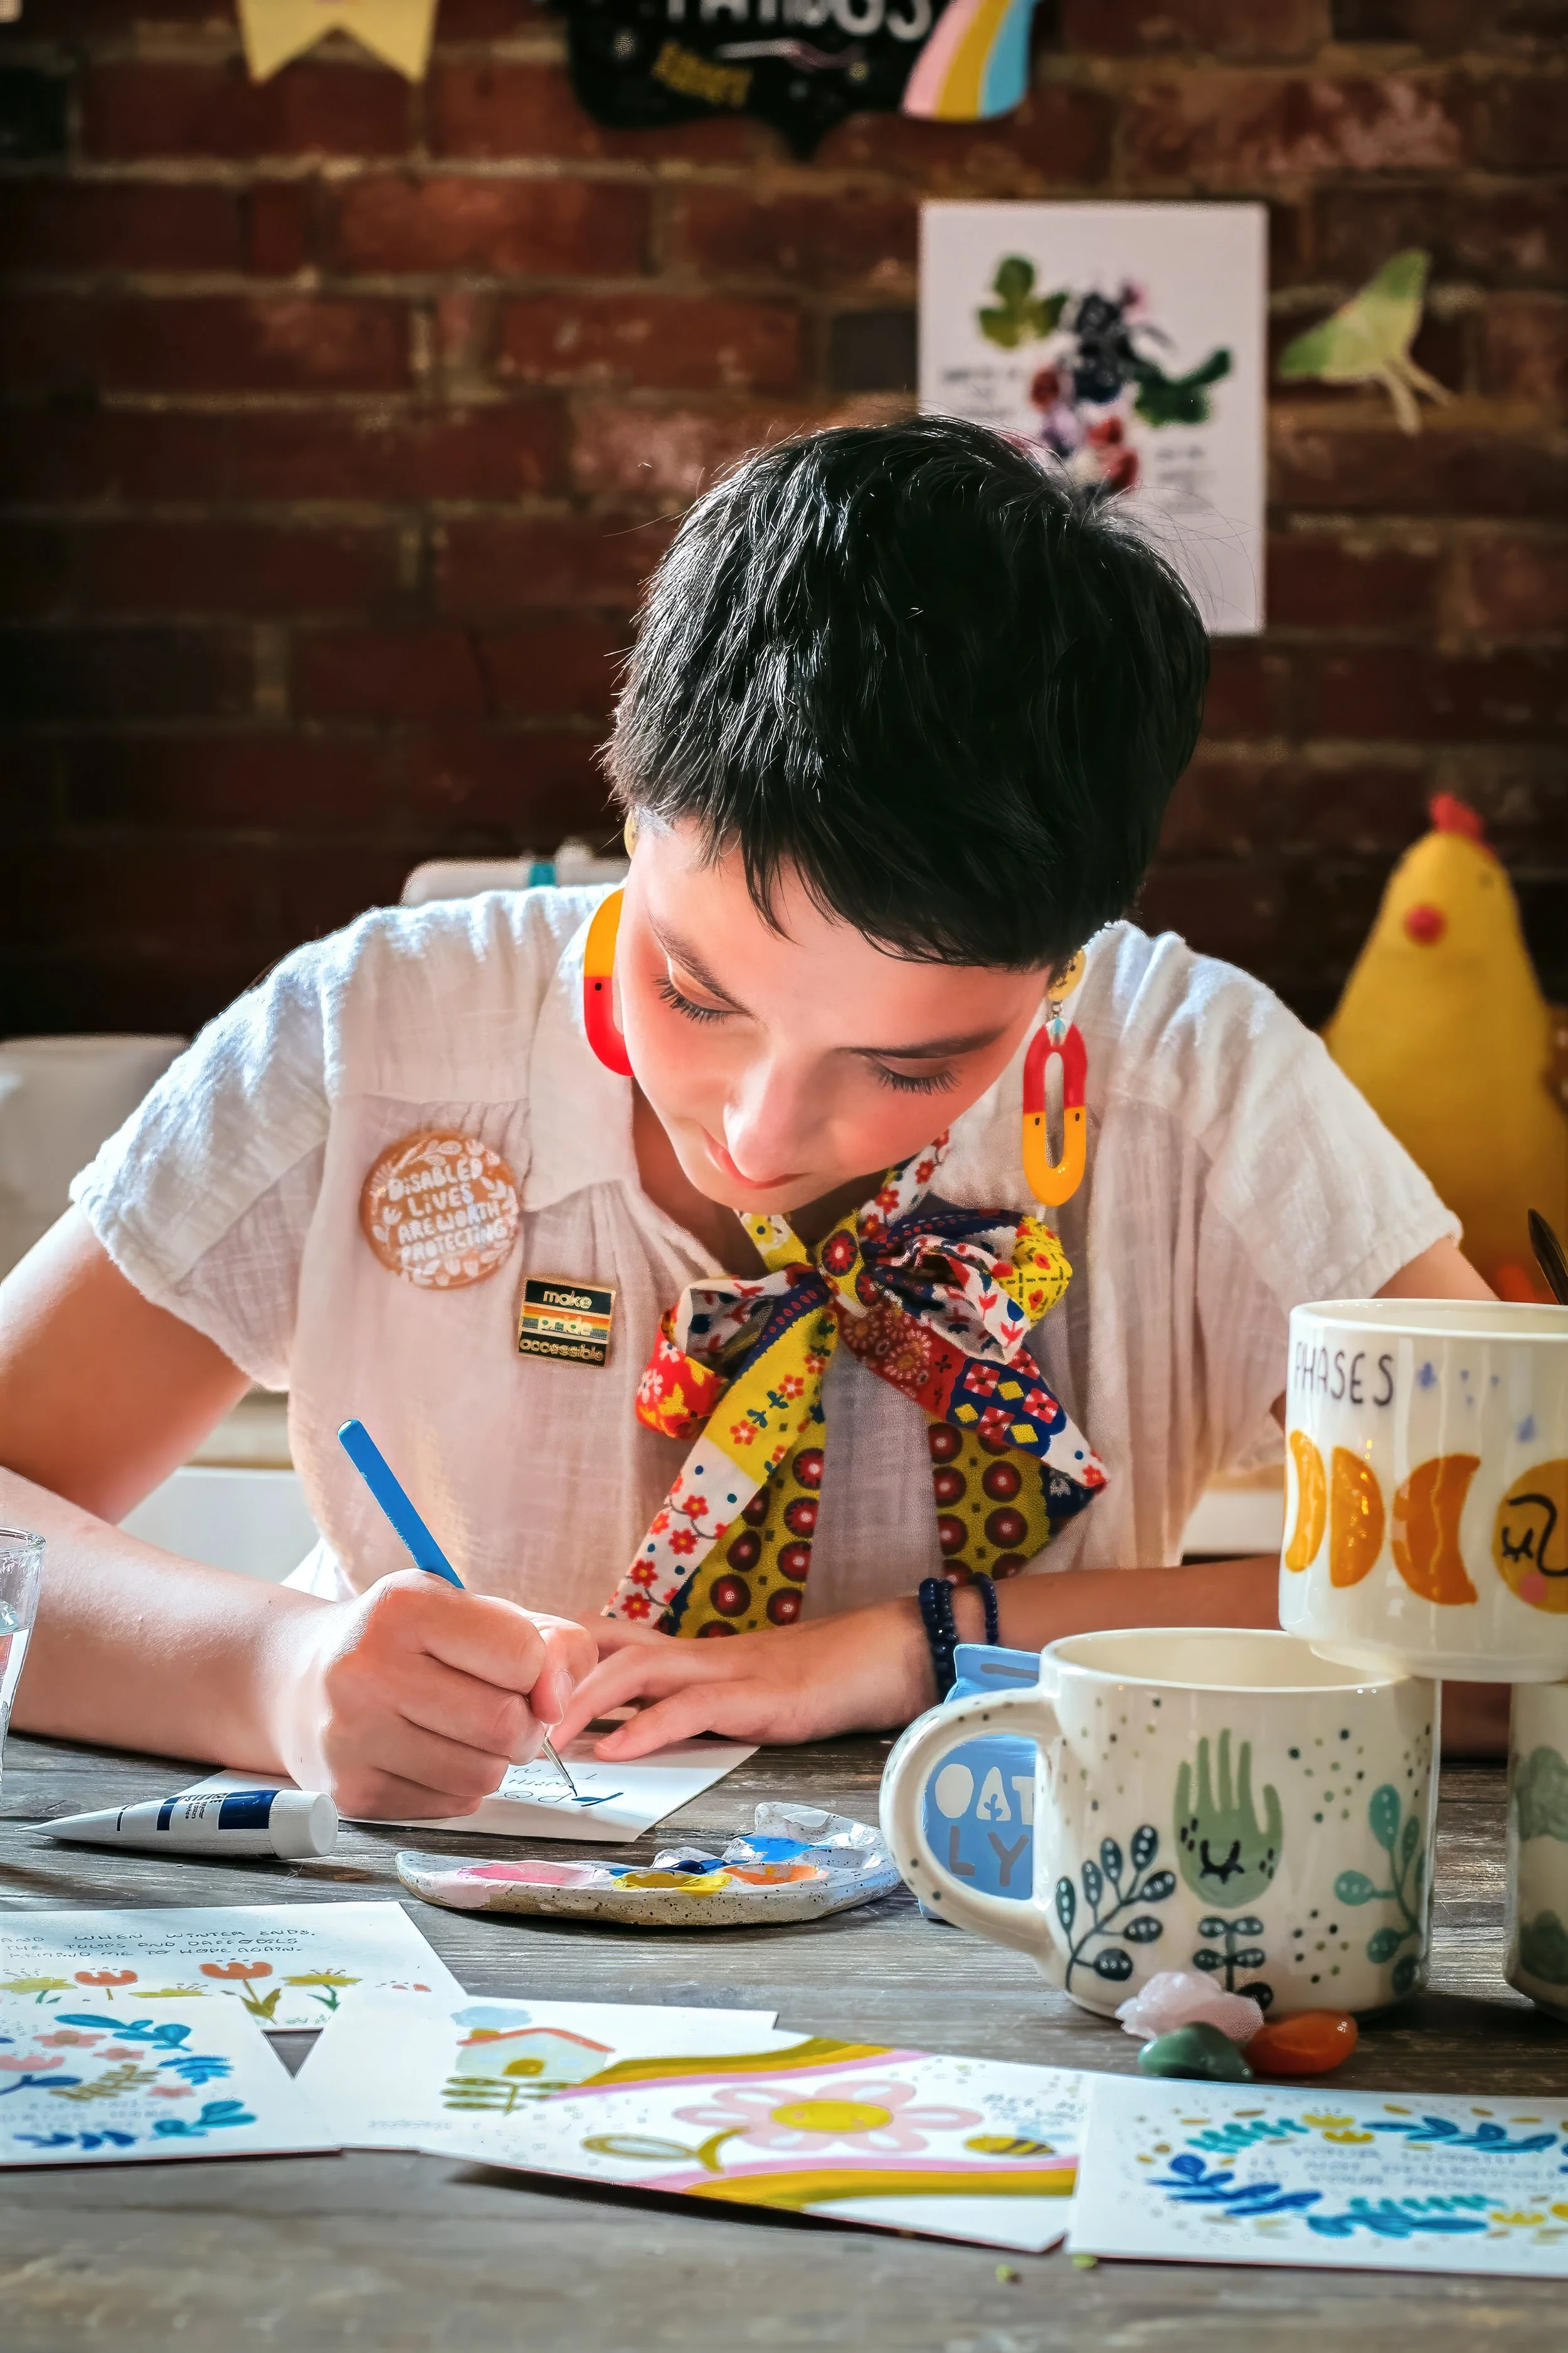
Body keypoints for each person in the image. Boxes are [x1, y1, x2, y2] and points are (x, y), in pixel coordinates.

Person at [0, 420, 1497, 1819]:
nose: (764, 1137)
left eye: (911, 1069)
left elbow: (1516, 1607)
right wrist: (271, 1674)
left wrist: (914, 1650)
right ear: (631, 811)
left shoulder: (1195, 1078)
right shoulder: (370, 1039)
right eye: (695, 992)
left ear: (1064, 966)